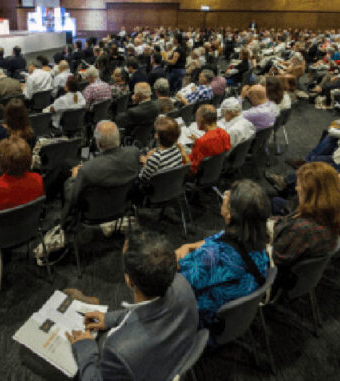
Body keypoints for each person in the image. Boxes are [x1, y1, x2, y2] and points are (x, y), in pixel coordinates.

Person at [65, 229, 199, 381]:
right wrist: (109, 319)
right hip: (168, 358)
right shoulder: (183, 285)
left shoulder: (118, 351)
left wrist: (86, 349)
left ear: (130, 281)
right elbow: (149, 307)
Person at [176, 180, 270, 334]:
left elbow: (178, 282)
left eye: (228, 195)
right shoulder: (254, 239)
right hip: (235, 315)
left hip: (202, 320)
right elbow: (218, 238)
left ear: (230, 214)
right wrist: (189, 246)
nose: (224, 195)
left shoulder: (212, 255)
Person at [270, 162, 340, 293]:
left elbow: (274, 258)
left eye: (299, 185)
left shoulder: (302, 229)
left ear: (311, 192)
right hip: (290, 254)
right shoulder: (326, 209)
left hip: (275, 274)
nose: (296, 188)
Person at [62, 121, 140, 218]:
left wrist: (73, 178)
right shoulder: (133, 154)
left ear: (98, 143)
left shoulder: (87, 169)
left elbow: (72, 197)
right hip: (121, 207)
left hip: (93, 215)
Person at [139, 116, 189, 182]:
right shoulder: (177, 150)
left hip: (156, 188)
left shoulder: (155, 158)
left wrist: (146, 162)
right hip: (171, 183)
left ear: (157, 136)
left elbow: (143, 178)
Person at [188, 104, 231, 174]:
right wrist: (198, 140)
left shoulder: (202, 141)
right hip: (216, 169)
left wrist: (182, 151)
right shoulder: (224, 133)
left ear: (201, 119)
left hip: (200, 174)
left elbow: (192, 168)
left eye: (196, 118)